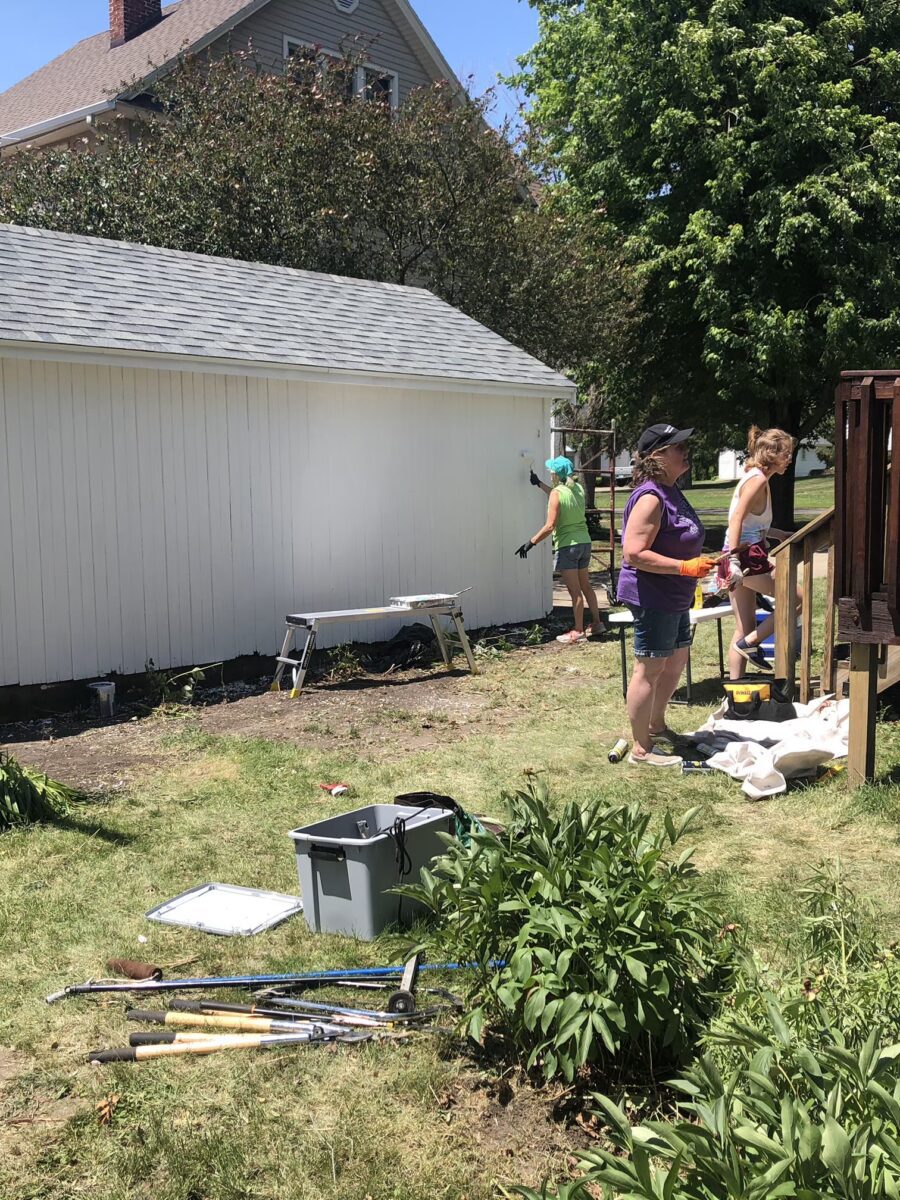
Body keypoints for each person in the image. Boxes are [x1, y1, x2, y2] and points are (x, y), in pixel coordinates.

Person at [617, 424, 720, 766]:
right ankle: (641, 749)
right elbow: (633, 552)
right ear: (658, 456)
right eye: (678, 446)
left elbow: (680, 539)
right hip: (653, 596)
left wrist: (704, 566)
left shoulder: (672, 490)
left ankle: (656, 724)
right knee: (649, 668)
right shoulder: (650, 497)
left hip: (676, 595)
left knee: (675, 662)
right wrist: (683, 567)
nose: (686, 450)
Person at [718, 427, 797, 679]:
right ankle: (751, 643)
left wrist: (779, 535)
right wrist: (734, 561)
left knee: (743, 626)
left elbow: (753, 523)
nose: (790, 459)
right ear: (773, 454)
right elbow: (736, 518)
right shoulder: (759, 480)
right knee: (797, 600)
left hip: (741, 554)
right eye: (787, 454)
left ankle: (735, 693)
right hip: (744, 557)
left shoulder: (757, 477)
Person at [516, 456, 602, 644]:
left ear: (557, 474)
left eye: (552, 472)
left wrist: (530, 542)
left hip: (567, 545)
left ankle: (578, 631)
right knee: (586, 586)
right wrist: (539, 484)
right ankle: (597, 623)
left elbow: (550, 526)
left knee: (574, 591)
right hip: (584, 542)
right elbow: (558, 494)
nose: (551, 474)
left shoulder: (558, 492)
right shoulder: (577, 488)